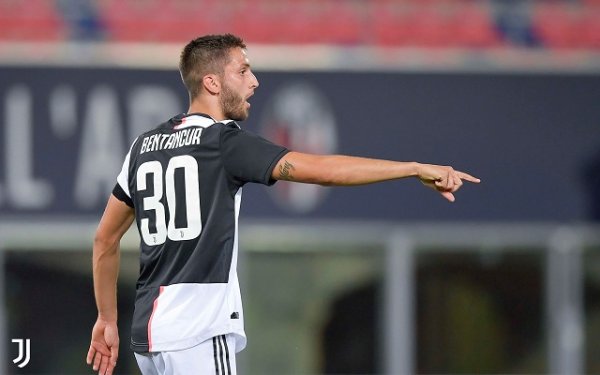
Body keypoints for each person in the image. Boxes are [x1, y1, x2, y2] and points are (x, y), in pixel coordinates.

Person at [86, 33, 480, 375]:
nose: (254, 82)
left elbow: (105, 240)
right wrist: (410, 168)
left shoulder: (144, 148)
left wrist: (107, 317)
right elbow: (323, 170)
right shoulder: (224, 142)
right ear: (211, 82)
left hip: (148, 341)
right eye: (242, 71)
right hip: (197, 332)